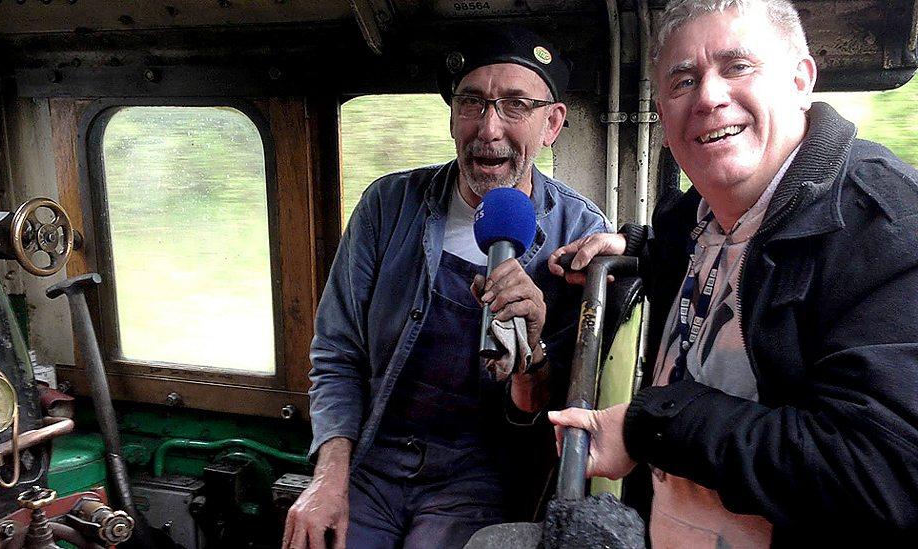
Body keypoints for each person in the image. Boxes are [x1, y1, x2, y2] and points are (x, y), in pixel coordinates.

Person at [547, 0, 918, 546]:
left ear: (801, 79)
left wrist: (650, 425)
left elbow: (883, 473)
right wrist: (632, 243)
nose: (708, 97)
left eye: (737, 66)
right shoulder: (689, 221)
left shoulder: (884, 227)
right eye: (683, 81)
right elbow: (711, 253)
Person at [282, 27, 611, 549]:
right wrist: (328, 478)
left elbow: (555, 413)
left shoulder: (580, 236)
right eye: (472, 103)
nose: (489, 128)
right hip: (375, 456)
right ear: (452, 117)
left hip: (480, 473)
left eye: (515, 106)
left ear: (552, 123)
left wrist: (532, 354)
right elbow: (337, 353)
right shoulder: (389, 206)